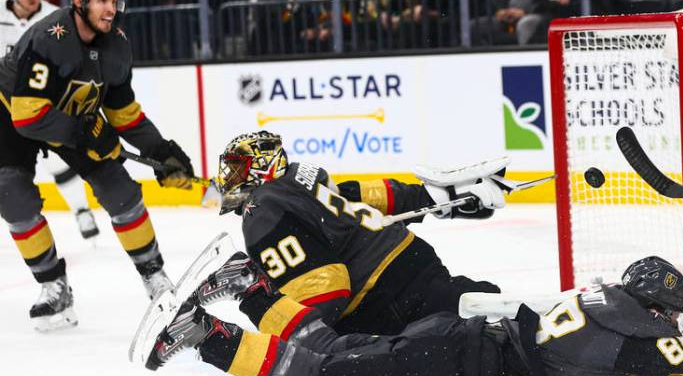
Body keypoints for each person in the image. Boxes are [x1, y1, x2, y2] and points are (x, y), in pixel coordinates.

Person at [143, 253, 683, 376]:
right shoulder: (641, 333)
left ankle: (252, 293)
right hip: (466, 362)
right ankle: (207, 334)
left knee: (331, 349)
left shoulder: (608, 297)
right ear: (660, 308)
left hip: (467, 341)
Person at [0, 0, 196, 331]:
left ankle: (155, 277)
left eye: (114, 0)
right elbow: (28, 116)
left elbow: (123, 114)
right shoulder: (48, 37)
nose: (111, 8)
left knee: (121, 193)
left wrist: (161, 151)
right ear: (78, 1)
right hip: (12, 113)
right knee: (13, 197)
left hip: (72, 115)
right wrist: (86, 134)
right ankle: (53, 286)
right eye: (102, 0)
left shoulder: (117, 45)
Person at [190, 131, 505, 338]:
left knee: (460, 331)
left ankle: (503, 320)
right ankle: (484, 304)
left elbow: (325, 289)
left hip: (382, 293)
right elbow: (360, 194)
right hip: (410, 257)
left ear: (262, 167)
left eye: (237, 169)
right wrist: (428, 198)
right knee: (456, 301)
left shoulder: (260, 212)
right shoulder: (297, 174)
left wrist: (294, 337)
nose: (228, 178)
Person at [1, 0, 99, 241]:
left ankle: (81, 211)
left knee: (58, 163)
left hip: (43, 103)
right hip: (4, 107)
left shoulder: (56, 17)